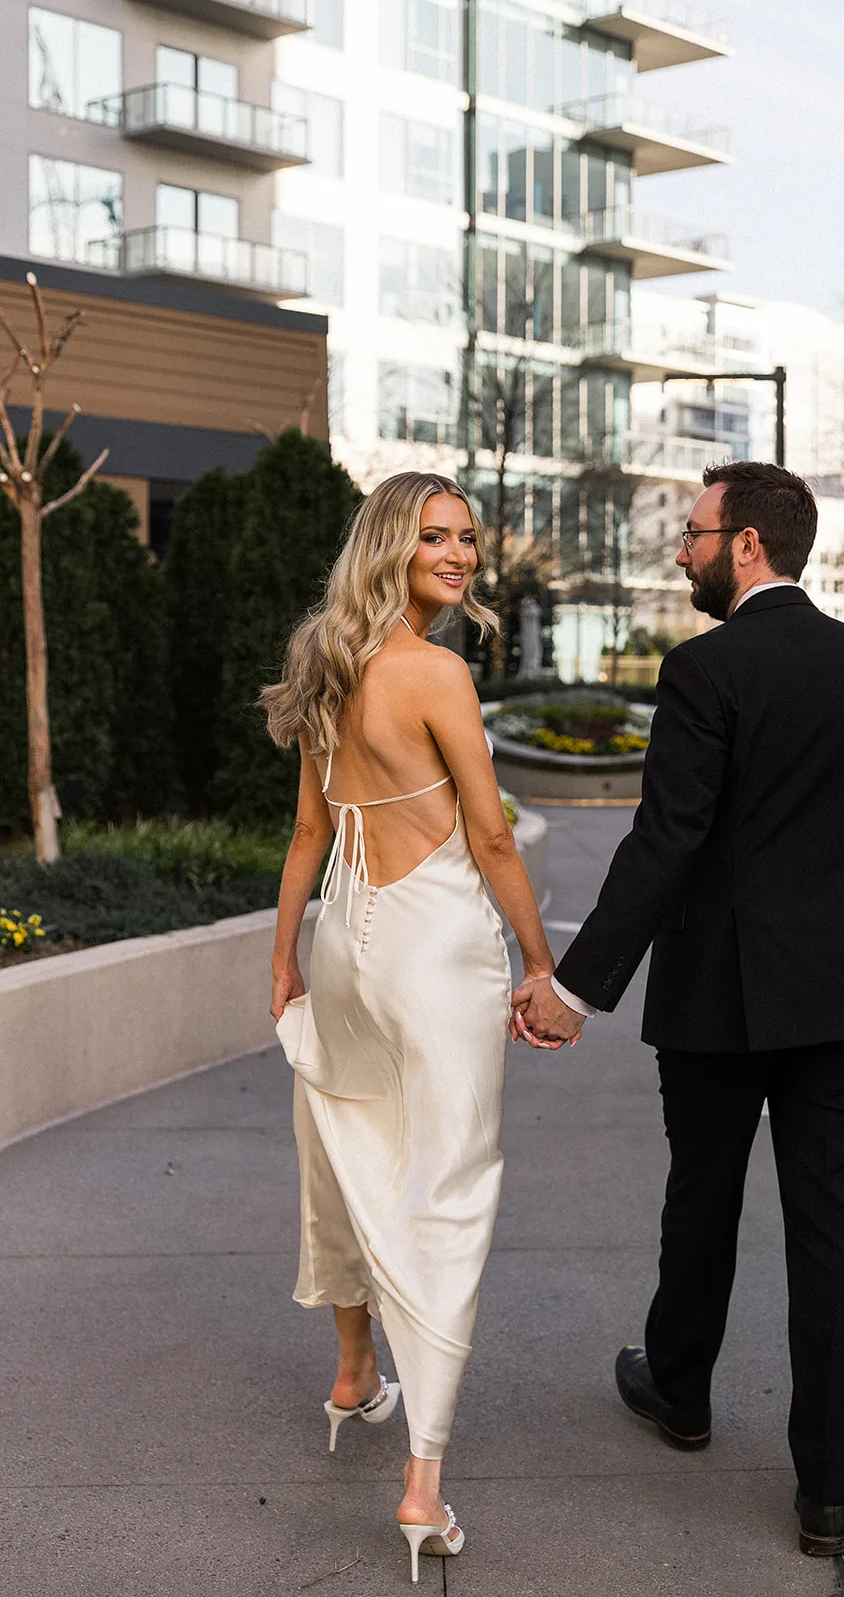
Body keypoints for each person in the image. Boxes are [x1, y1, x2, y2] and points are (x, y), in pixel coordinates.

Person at [512, 460, 844, 1558]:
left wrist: (573, 985)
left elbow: (668, 839)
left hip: (719, 993)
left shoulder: (704, 669)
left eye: (692, 534)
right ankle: (831, 1488)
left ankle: (681, 1392)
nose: (682, 552)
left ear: (746, 544)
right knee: (837, 1234)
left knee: (703, 1199)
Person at [264, 472, 558, 1585]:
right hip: (433, 951)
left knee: (342, 1142)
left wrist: (286, 953)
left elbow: (305, 831)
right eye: (435, 536)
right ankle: (423, 1484)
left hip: (345, 937)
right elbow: (490, 840)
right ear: (388, 546)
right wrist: (541, 966)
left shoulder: (327, 664)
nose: (460, 554)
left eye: (468, 538)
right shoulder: (436, 673)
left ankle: (352, 1372)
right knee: (449, 1186)